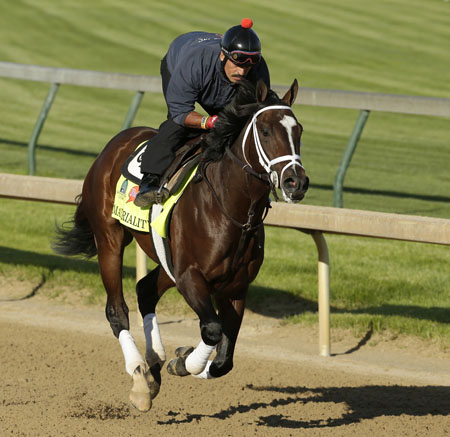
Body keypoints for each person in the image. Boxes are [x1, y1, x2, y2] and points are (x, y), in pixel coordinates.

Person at [134, 18, 270, 207]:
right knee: (177, 125)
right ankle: (149, 181)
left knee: (239, 127)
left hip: (216, 80)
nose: (242, 71)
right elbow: (180, 112)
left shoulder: (258, 72)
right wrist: (209, 122)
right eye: (236, 64)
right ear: (223, 56)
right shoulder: (195, 62)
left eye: (248, 66)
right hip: (180, 64)